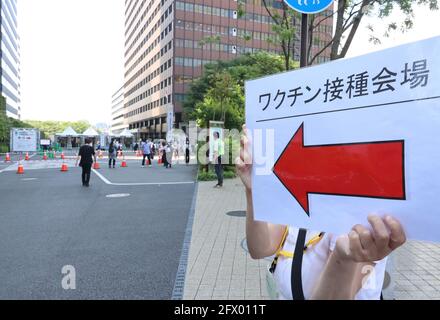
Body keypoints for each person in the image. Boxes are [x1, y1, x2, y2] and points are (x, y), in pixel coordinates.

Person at [235, 125, 406, 300]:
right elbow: (260, 248)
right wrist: (253, 192)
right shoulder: (302, 193)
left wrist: (342, 257)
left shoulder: (365, 208)